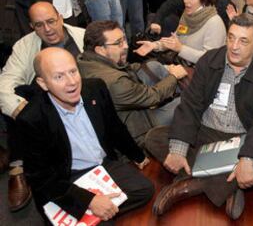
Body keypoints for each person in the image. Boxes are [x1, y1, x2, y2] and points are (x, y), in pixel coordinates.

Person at [145, 13, 253, 220]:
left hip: (242, 139)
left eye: (243, 41)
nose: (234, 46)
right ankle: (229, 185)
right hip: (205, 133)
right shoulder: (210, 59)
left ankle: (187, 186)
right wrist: (178, 150)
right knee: (154, 137)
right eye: (231, 37)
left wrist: (247, 159)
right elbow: (190, 104)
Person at [16, 47, 154, 223]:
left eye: (73, 71)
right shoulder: (31, 119)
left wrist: (137, 155)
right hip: (66, 178)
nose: (72, 82)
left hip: (102, 165)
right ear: (43, 83)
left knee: (145, 189)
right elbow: (40, 178)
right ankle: (98, 214)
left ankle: (98, 215)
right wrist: (88, 200)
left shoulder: (96, 88)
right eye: (59, 76)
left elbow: (114, 127)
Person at [0, 1, 85, 211]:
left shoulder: (83, 36)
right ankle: (18, 166)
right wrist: (23, 112)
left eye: (51, 21)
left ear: (61, 17)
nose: (47, 29)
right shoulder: (24, 46)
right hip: (46, 104)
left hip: (83, 98)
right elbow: (4, 85)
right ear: (32, 26)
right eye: (39, 25)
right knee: (17, 97)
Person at [77, 20, 187, 147]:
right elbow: (153, 96)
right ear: (100, 50)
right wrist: (173, 76)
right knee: (186, 102)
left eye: (124, 39)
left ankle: (176, 94)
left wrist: (167, 70)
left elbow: (126, 67)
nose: (125, 46)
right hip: (138, 131)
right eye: (118, 43)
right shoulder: (114, 82)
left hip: (124, 115)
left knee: (153, 66)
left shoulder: (85, 59)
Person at [137, 0, 226, 65]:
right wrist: (155, 45)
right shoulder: (187, 15)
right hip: (181, 63)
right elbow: (176, 39)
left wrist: (181, 49)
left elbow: (211, 59)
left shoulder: (214, 23)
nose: (185, 1)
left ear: (204, 0)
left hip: (200, 73)